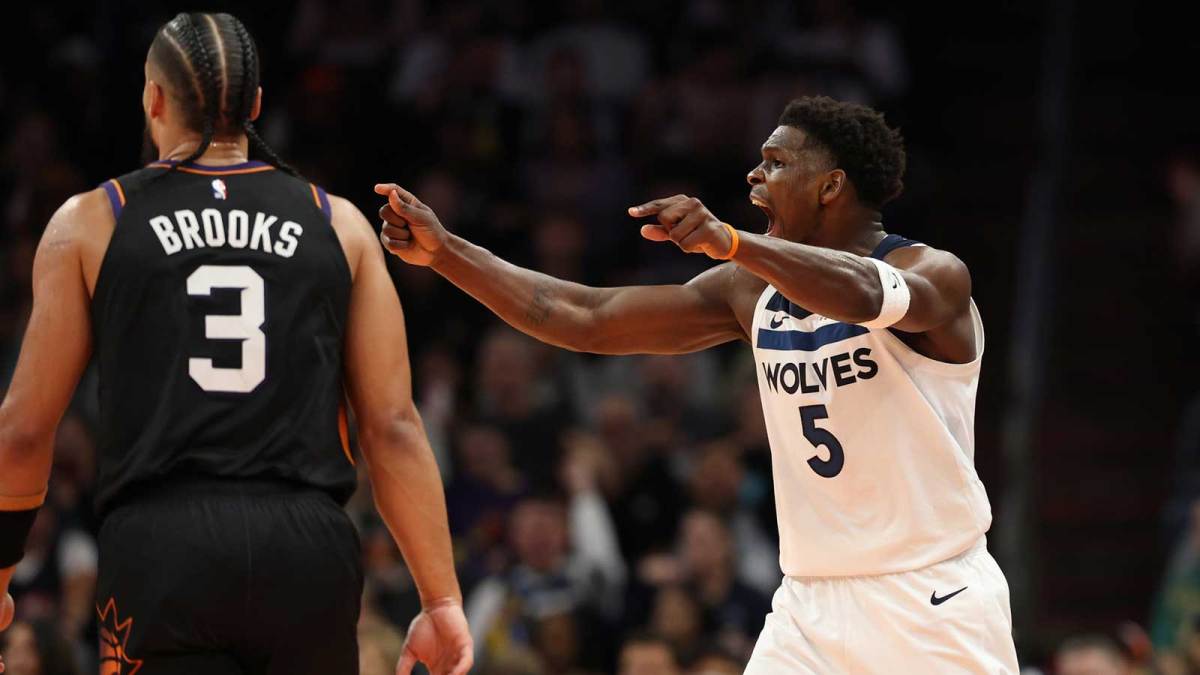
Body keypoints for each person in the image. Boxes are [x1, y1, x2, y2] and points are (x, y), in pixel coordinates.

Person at [375, 95, 1018, 672]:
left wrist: (733, 242)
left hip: (933, 596)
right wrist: (446, 253)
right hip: (811, 605)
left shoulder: (933, 272)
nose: (753, 174)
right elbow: (584, 316)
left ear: (831, 186)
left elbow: (857, 290)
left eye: (775, 162)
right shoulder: (751, 291)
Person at [0, 13, 470, 675]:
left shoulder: (93, 220)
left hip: (163, 545)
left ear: (153, 99)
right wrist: (441, 594)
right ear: (255, 105)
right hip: (307, 548)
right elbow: (392, 426)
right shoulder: (341, 224)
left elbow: (23, 431)